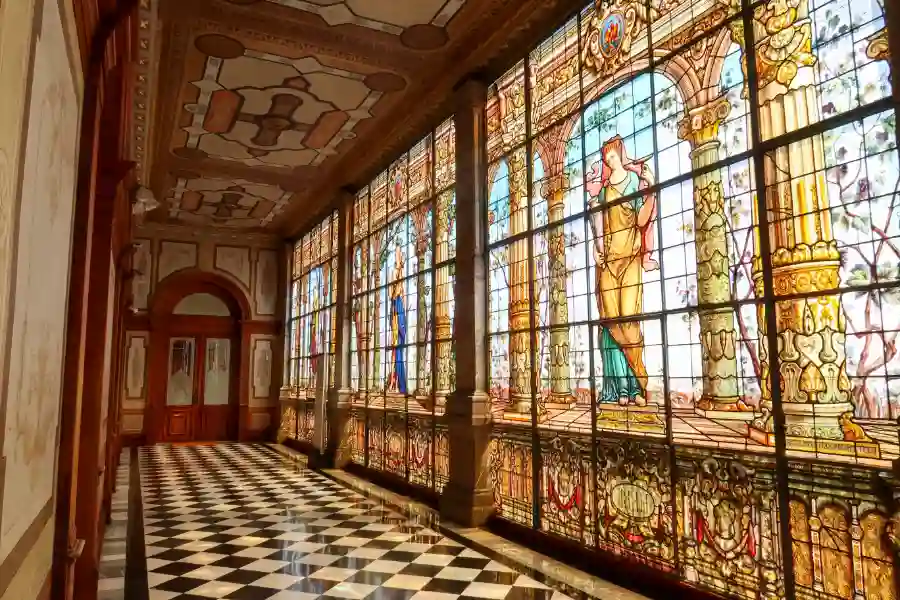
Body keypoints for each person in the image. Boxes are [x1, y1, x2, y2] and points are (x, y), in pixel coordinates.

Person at [585, 135, 657, 406]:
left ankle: (637, 384)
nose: (608, 160)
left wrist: (650, 189)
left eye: (612, 156)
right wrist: (596, 248)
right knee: (609, 321)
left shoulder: (633, 183)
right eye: (606, 157)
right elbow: (600, 223)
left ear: (620, 154)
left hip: (629, 257)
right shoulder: (604, 190)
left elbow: (640, 219)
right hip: (606, 260)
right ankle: (620, 390)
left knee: (628, 319)